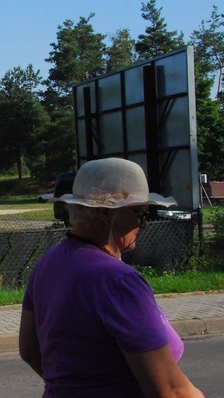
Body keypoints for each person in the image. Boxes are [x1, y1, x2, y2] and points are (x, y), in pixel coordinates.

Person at [18, 157, 204, 397]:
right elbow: (169, 391)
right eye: (140, 214)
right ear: (106, 213)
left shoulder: (49, 262)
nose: (144, 225)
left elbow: (30, 352)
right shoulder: (117, 280)